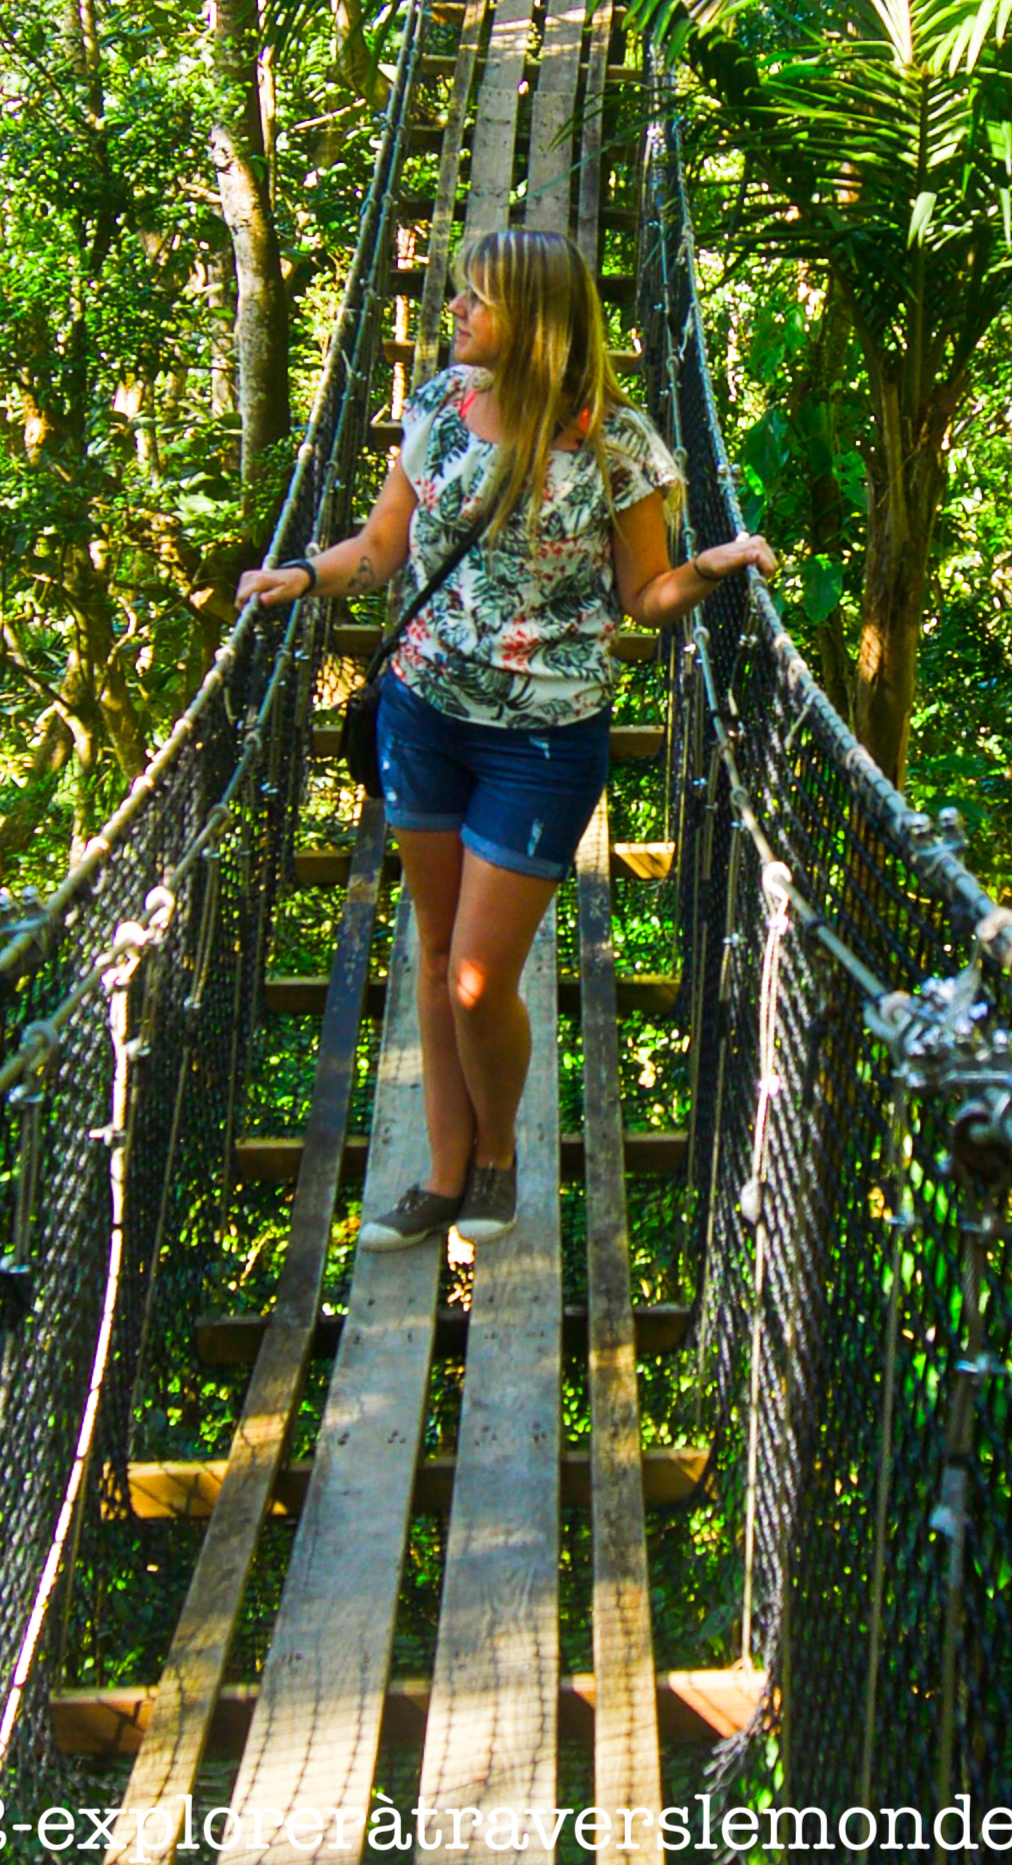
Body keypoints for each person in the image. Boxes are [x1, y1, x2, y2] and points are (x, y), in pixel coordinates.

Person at [236, 226, 776, 1255]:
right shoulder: (437, 408)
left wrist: (709, 566)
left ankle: (500, 1159)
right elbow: (383, 547)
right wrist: (303, 576)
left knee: (480, 971)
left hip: (542, 737)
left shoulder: (618, 443)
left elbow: (643, 596)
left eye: (473, 300)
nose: (453, 314)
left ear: (527, 316)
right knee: (436, 956)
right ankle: (444, 1176)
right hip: (421, 713)